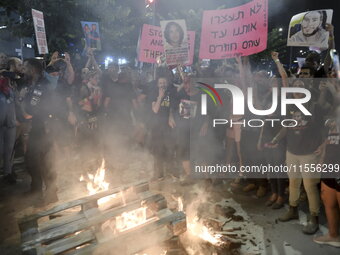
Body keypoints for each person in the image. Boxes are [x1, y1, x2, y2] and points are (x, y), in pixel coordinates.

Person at [271, 79, 324, 234]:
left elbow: (323, 130)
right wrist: (275, 139)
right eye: (295, 88)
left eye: (301, 87)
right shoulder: (290, 106)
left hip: (309, 153)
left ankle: (314, 218)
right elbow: (285, 127)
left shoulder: (314, 106)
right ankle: (293, 209)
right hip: (292, 152)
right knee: (294, 183)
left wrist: (323, 146)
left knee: (309, 187)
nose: (297, 91)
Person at [23, 59, 57, 203]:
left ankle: (50, 194)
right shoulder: (37, 83)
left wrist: (23, 97)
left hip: (42, 127)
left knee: (42, 161)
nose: (23, 70)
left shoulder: (40, 86)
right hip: (41, 125)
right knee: (35, 160)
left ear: (33, 69)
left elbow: (31, 108)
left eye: (25, 67)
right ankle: (37, 190)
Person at [313, 106, 340, 247]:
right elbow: (330, 139)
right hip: (330, 168)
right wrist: (322, 157)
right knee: (328, 201)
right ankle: (333, 235)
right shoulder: (334, 116)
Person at [150, 73, 176, 180]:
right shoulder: (154, 94)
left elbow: (170, 108)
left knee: (169, 149)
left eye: (164, 83)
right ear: (157, 84)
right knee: (158, 150)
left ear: (167, 83)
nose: (162, 85)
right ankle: (159, 174)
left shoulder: (170, 93)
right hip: (156, 127)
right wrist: (160, 96)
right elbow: (155, 109)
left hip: (167, 126)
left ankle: (170, 171)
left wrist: (170, 116)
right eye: (160, 83)